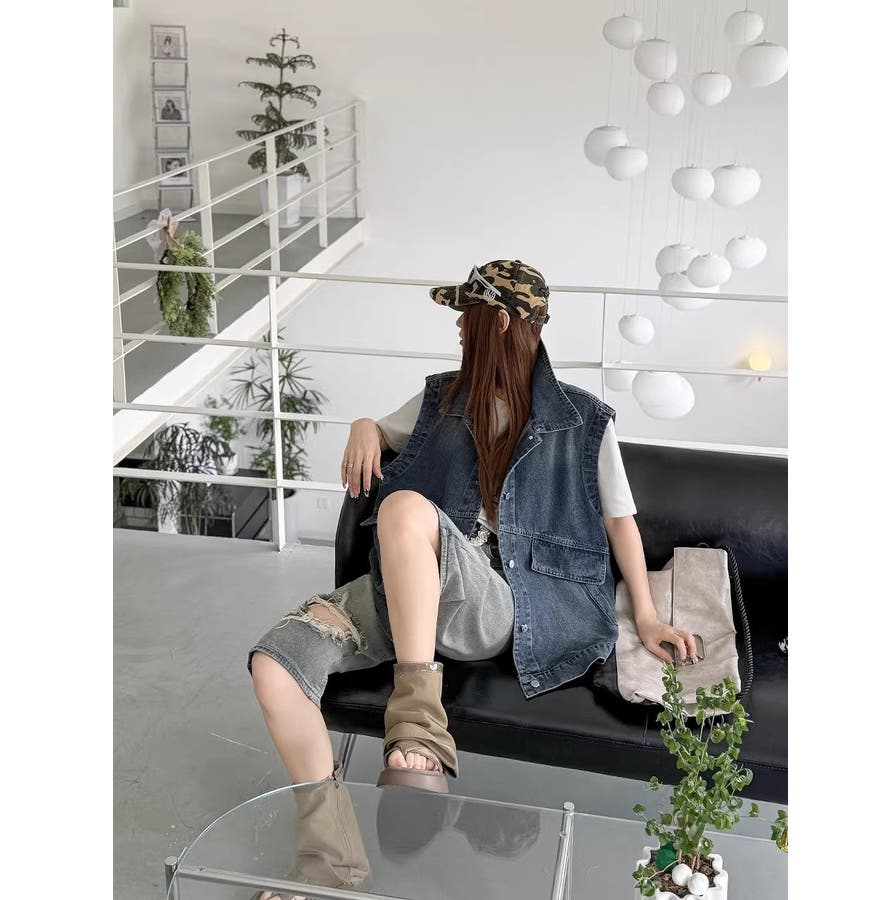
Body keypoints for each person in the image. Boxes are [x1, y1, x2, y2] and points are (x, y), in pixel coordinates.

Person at [246, 259, 697, 892]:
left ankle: (418, 720)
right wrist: (362, 427)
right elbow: (382, 430)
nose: (459, 325)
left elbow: (620, 522)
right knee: (275, 665)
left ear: (503, 322)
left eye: (468, 313)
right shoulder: (440, 398)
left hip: (503, 603)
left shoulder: (584, 419)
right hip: (407, 593)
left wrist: (645, 617)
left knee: (404, 508)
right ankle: (330, 862)